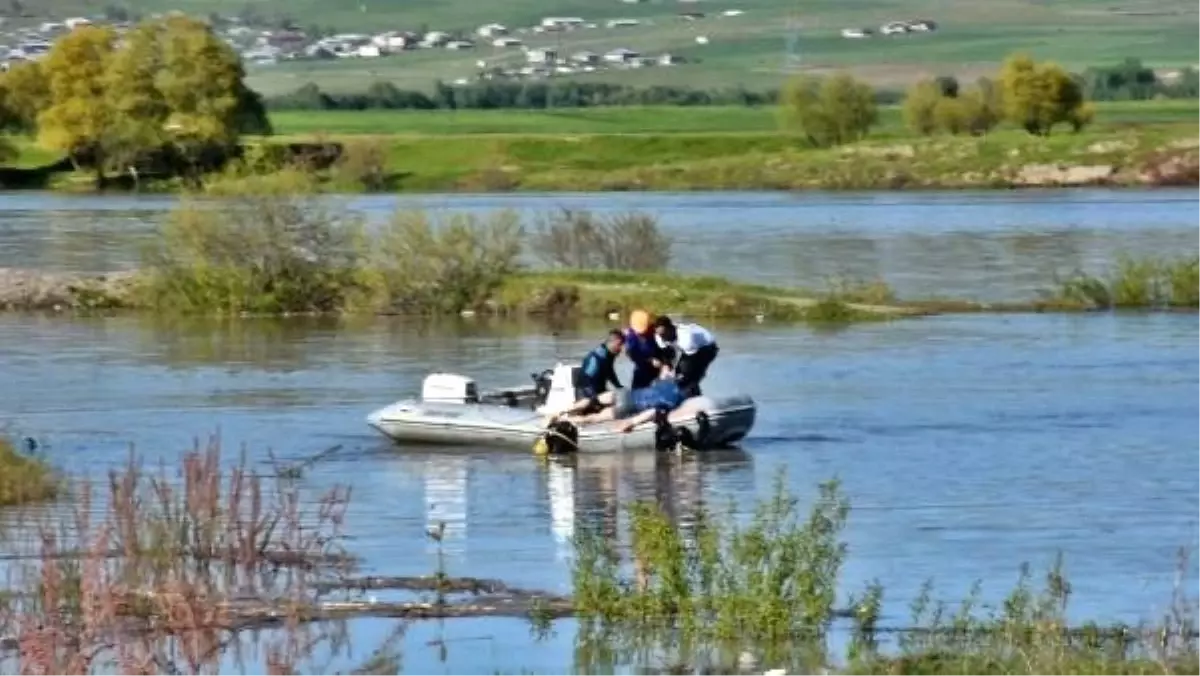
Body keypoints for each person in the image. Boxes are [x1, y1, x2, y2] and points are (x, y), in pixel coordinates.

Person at [548, 377, 689, 433]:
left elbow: (654, 382)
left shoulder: (667, 383)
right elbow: (653, 411)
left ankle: (561, 411)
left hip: (624, 393)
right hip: (628, 406)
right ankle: (562, 420)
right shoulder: (673, 401)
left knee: (593, 400)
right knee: (592, 419)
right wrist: (631, 422)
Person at [653, 316, 719, 397]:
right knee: (676, 377)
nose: (663, 338)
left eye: (664, 334)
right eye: (660, 335)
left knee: (688, 378)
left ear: (671, 328)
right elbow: (668, 353)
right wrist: (667, 367)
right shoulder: (659, 336)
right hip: (690, 349)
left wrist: (680, 375)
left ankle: (697, 402)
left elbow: (691, 362)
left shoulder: (686, 338)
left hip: (707, 348)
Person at [623, 309, 672, 389]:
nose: (642, 333)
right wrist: (650, 360)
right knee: (638, 389)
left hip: (659, 366)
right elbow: (633, 355)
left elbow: (666, 348)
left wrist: (666, 364)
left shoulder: (654, 330)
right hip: (642, 368)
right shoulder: (630, 337)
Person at [578, 329, 625, 399]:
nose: (621, 349)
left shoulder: (610, 355)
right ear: (611, 342)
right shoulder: (597, 357)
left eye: (622, 345)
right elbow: (585, 379)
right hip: (586, 393)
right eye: (619, 344)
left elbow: (610, 372)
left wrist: (619, 387)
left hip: (600, 391)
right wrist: (594, 398)